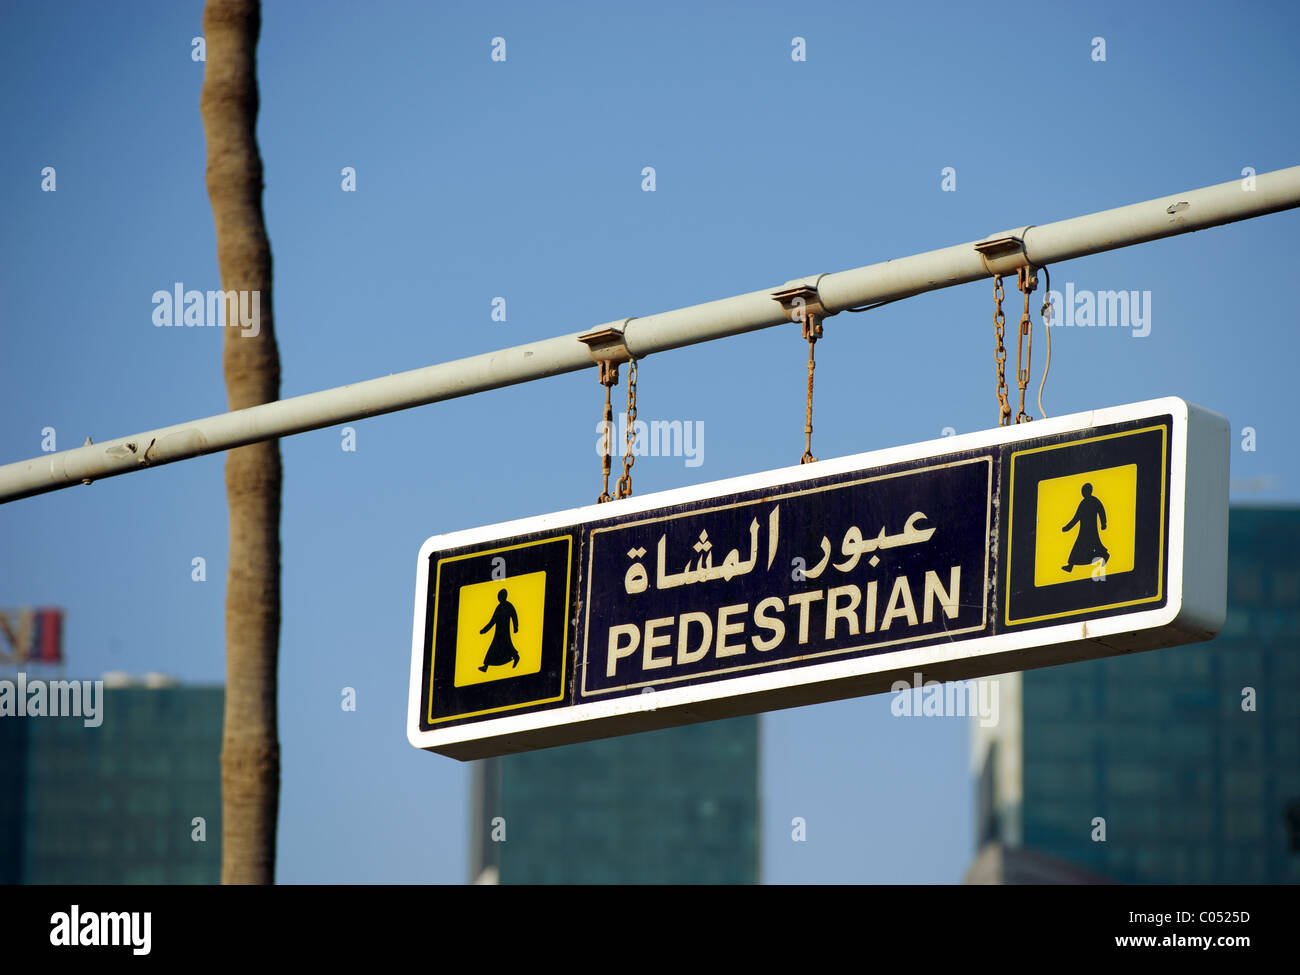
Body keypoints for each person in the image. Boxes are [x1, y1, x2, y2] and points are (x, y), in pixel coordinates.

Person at [1060, 482, 1109, 572]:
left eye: (1084, 491)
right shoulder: (1083, 503)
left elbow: (1101, 511)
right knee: (1078, 547)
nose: (1083, 493)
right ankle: (1070, 566)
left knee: (1095, 545)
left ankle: (1105, 556)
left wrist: (1103, 523)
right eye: (1082, 491)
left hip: (1092, 530)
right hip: (1083, 530)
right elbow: (1076, 517)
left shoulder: (1095, 501)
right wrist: (1067, 527)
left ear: (1089, 491)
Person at [478, 589, 521, 671]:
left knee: (505, 645)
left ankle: (516, 657)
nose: (499, 598)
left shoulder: (508, 605)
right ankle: (485, 666)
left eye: (500, 596)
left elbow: (514, 615)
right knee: (497, 647)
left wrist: (515, 626)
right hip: (498, 632)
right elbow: (493, 620)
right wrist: (484, 630)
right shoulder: (499, 607)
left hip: (505, 631)